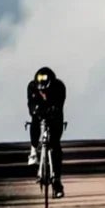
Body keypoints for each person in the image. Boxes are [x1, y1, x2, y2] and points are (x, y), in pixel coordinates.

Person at [26, 66, 67, 196]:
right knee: (34, 120)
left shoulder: (59, 87)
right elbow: (31, 105)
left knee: (55, 145)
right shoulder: (32, 87)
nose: (43, 93)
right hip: (39, 110)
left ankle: (57, 182)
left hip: (55, 113)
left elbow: (59, 106)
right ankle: (33, 150)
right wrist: (36, 110)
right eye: (41, 90)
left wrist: (53, 111)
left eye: (46, 90)